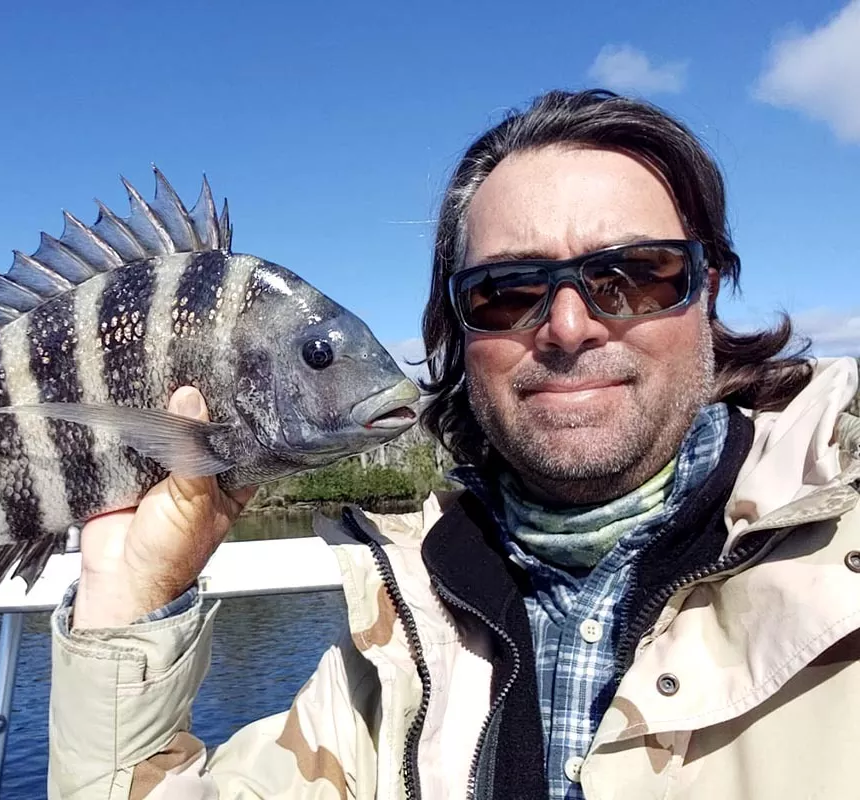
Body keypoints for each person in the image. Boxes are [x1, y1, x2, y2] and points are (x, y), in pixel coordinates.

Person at [46, 89, 860, 800]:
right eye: (507, 291)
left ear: (706, 288)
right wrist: (131, 594)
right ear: (456, 332)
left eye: (634, 275)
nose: (570, 327)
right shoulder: (397, 635)